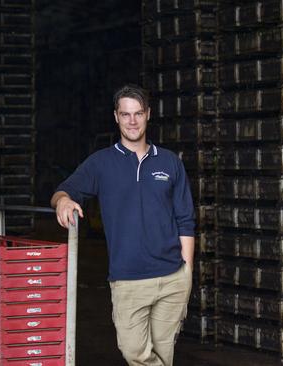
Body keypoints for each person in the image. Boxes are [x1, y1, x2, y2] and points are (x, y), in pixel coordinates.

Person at [51, 84, 195, 366]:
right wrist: (63, 202)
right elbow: (63, 190)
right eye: (125, 114)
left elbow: (185, 220)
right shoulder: (101, 164)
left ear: (148, 115)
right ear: (116, 117)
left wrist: (187, 272)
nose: (132, 121)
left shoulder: (169, 162)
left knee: (165, 355)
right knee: (134, 352)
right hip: (128, 281)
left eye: (138, 113)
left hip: (172, 279)